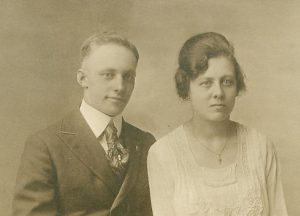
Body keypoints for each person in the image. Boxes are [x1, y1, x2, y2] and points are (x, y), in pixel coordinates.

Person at [12, 32, 155, 216]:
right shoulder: (45, 145)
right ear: (82, 79)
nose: (120, 86)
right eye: (108, 75)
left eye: (128, 77)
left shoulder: (145, 143)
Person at [147, 32, 288, 216]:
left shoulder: (261, 147)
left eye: (227, 82)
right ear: (187, 87)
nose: (218, 92)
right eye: (206, 83)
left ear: (237, 87)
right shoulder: (163, 154)